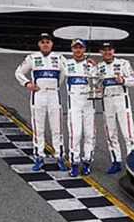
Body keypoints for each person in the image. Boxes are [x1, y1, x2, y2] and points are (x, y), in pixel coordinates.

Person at [15, 33, 67, 172]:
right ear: (39, 44)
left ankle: (59, 157)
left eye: (48, 42)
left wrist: (56, 85)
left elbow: (67, 72)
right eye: (43, 42)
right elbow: (18, 72)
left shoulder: (59, 58)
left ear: (52, 44)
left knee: (57, 127)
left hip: (54, 95)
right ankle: (39, 156)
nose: (45, 44)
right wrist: (27, 83)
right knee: (39, 127)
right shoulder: (32, 57)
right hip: (38, 94)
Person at [97, 42, 134, 174]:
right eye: (104, 50)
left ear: (113, 51)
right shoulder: (99, 67)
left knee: (128, 134)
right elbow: (95, 84)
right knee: (111, 134)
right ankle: (116, 161)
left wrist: (123, 81)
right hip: (107, 102)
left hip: (121, 101)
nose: (107, 52)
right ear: (101, 52)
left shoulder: (123, 63)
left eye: (110, 50)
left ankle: (132, 164)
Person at [62, 38, 96, 177]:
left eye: (80, 47)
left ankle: (87, 162)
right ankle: (74, 163)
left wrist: (96, 66)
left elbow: (99, 82)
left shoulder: (91, 65)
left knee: (90, 134)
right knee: (75, 135)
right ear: (72, 49)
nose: (78, 50)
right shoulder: (66, 64)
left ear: (84, 49)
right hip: (74, 105)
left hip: (89, 104)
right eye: (75, 47)